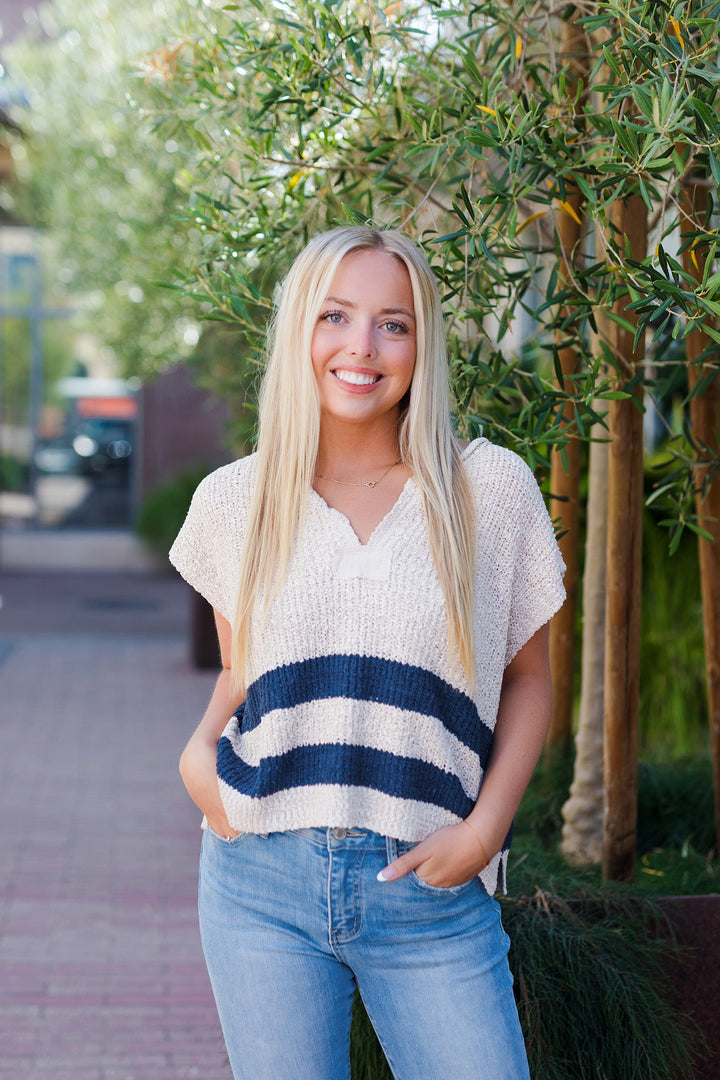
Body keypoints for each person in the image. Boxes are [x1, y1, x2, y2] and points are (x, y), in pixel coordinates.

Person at [169, 225, 566, 1080]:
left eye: (393, 323)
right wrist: (199, 753)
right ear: (298, 334)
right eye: (336, 316)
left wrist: (487, 828)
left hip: (428, 885)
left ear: (422, 346)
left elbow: (530, 679)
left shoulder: (486, 490)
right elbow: (246, 678)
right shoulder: (236, 499)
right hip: (257, 879)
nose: (362, 346)